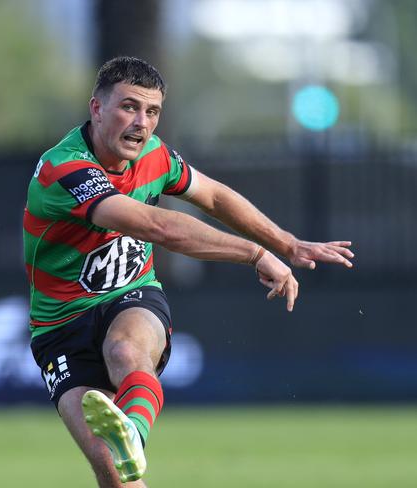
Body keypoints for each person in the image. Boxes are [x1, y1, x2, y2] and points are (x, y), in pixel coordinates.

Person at [23, 56, 353, 487]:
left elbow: (213, 196)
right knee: (115, 476)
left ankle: (134, 433)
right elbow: (158, 226)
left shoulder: (154, 155)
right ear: (97, 108)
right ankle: (126, 444)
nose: (141, 123)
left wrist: (285, 243)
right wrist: (254, 254)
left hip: (131, 295)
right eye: (129, 107)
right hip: (60, 326)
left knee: (125, 352)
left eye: (152, 111)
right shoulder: (64, 168)